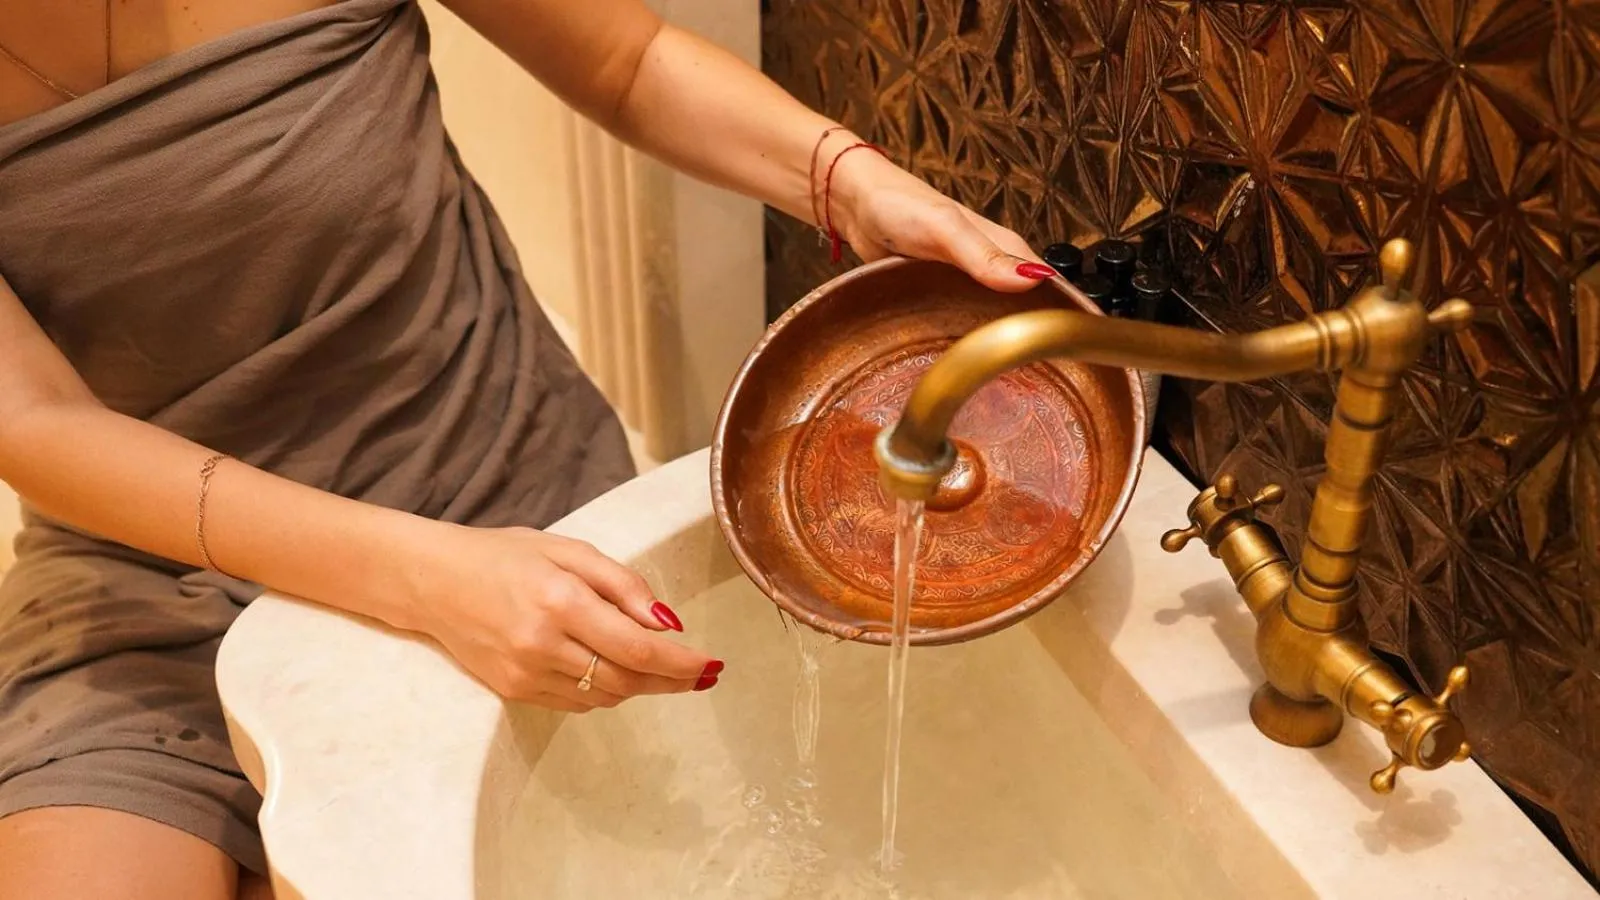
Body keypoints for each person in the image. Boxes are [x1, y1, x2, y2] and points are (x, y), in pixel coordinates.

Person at [0, 1, 1058, 897]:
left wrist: (851, 181)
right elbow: (39, 422)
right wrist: (421, 580)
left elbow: (626, 62)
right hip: (153, 574)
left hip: (510, 501)